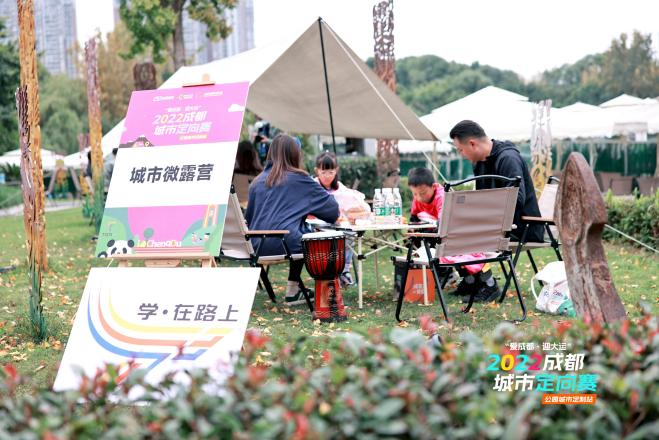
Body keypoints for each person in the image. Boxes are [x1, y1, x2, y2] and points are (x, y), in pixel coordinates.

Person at [245, 134, 340, 305]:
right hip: (284, 244)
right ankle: (311, 290)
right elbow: (333, 212)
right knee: (309, 235)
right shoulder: (300, 179)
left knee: (297, 229)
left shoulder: (256, 182)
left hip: (254, 247)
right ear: (296, 154)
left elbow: (249, 219)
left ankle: (294, 291)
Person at [407, 167, 501, 302]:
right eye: (415, 194)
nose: (419, 198)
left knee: (459, 249)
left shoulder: (442, 196)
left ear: (433, 186)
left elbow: (444, 221)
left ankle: (490, 285)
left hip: (467, 232)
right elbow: (414, 218)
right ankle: (469, 281)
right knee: (445, 245)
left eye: (422, 193)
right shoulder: (418, 199)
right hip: (449, 235)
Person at [449, 120, 543, 242]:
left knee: (459, 238)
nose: (461, 155)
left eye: (460, 150)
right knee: (451, 232)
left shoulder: (508, 158)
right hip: (495, 226)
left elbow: (516, 201)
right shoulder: (479, 163)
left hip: (522, 228)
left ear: (472, 144)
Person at [313, 151, 370, 287]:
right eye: (323, 172)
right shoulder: (313, 186)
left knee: (349, 233)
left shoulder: (340, 188)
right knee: (330, 238)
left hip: (338, 224)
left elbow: (354, 204)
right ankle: (329, 272)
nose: (327, 176)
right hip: (317, 226)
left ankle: (344, 271)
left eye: (331, 172)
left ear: (336, 170)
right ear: (317, 171)